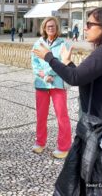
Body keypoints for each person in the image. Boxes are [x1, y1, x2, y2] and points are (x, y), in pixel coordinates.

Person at [32, 6, 102, 195]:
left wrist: (50, 58)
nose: (85, 28)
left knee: (98, 182)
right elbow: (85, 77)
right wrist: (68, 63)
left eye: (90, 24)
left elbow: (74, 78)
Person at [31, 16, 72, 159]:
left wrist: (49, 73)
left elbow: (62, 63)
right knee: (41, 115)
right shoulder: (38, 44)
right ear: (44, 28)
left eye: (53, 26)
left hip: (58, 83)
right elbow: (34, 64)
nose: (51, 28)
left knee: (62, 115)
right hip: (41, 83)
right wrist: (43, 76)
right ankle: (40, 142)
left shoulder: (63, 44)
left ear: (57, 28)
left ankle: (64, 146)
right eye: (48, 26)